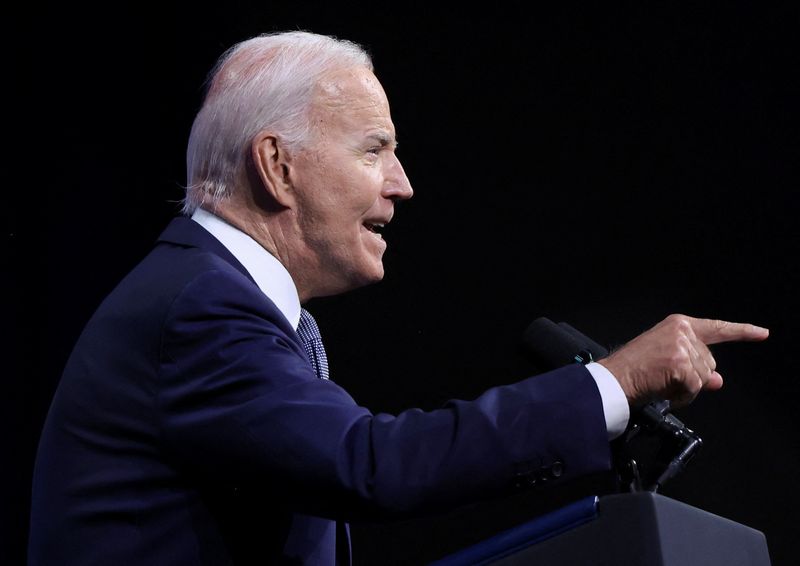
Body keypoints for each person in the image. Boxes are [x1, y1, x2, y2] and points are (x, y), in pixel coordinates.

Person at [28, 31, 768, 565]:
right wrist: (614, 382)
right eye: (375, 149)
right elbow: (368, 463)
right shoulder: (200, 308)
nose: (402, 182)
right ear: (277, 167)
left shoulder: (218, 298)